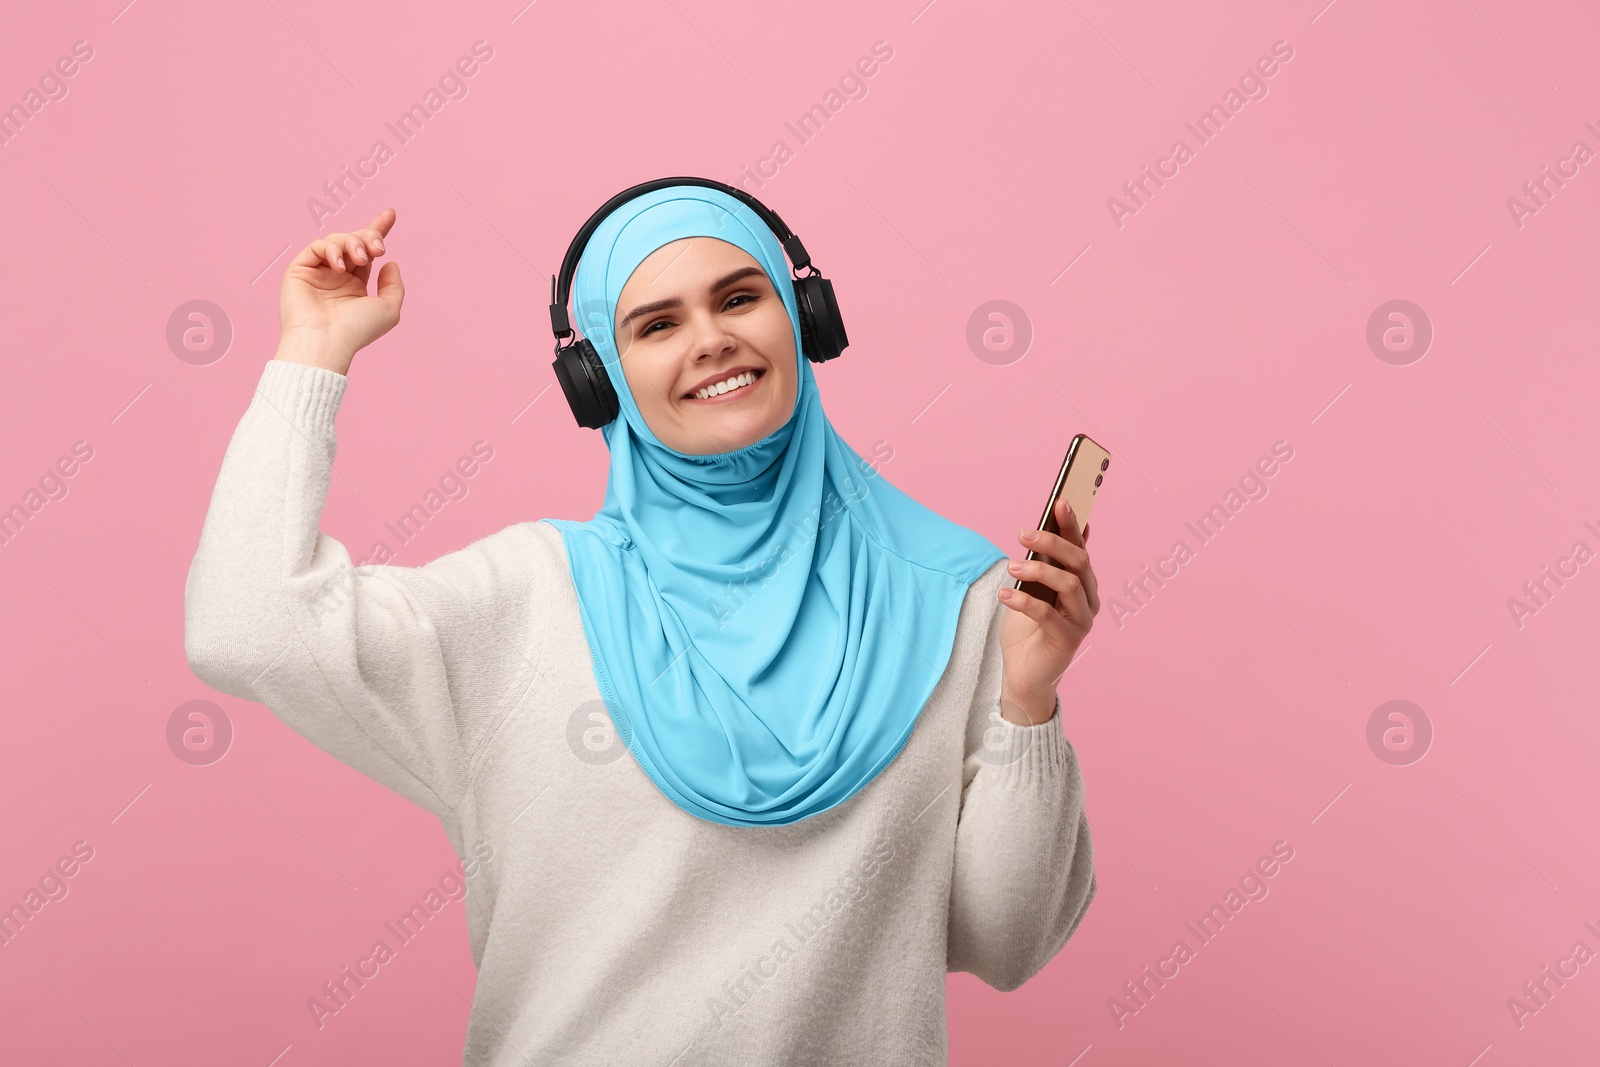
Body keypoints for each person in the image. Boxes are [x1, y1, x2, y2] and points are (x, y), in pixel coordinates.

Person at [184, 179, 1099, 1066]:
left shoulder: (960, 596)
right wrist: (313, 351)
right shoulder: (529, 597)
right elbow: (247, 624)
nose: (711, 339)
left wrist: (1030, 697)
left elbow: (1005, 942)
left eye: (741, 297)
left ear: (803, 317)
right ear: (601, 378)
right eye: (656, 324)